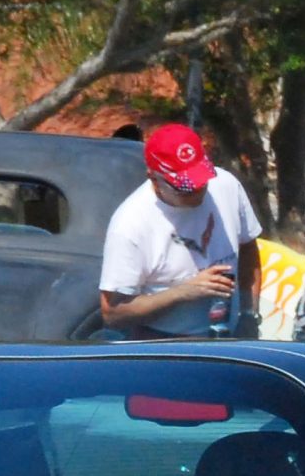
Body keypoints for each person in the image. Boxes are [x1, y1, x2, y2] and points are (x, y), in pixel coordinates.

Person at [98, 124, 263, 337]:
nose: (198, 190)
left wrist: (249, 314)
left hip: (227, 335)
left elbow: (248, 248)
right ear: (155, 180)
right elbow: (112, 313)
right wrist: (183, 292)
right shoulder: (130, 224)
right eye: (185, 188)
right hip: (163, 344)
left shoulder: (226, 186)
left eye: (202, 179)